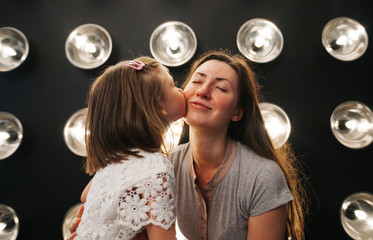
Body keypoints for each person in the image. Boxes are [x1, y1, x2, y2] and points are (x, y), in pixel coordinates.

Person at [69, 50, 308, 240]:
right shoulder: (164, 164)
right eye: (197, 81)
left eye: (221, 87)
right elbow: (99, 192)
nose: (203, 91)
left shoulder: (262, 177)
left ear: (237, 112)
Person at [70, 56, 186, 240]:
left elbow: (86, 196)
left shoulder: (117, 161)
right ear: (159, 105)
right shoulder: (155, 170)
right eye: (174, 84)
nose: (181, 90)